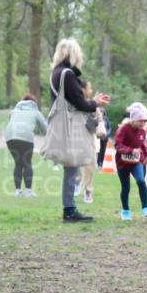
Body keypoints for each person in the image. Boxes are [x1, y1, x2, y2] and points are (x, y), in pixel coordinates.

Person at [49, 38, 111, 223]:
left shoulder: (56, 73)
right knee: (73, 166)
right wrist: (96, 103)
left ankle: (69, 209)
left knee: (71, 166)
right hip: (71, 126)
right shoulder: (67, 74)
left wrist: (92, 102)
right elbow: (80, 103)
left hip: (62, 124)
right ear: (73, 54)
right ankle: (69, 210)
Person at [114, 103, 147, 221]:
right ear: (133, 119)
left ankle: (146, 208)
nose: (143, 123)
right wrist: (131, 151)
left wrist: (146, 156)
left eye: (145, 121)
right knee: (126, 188)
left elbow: (142, 145)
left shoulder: (142, 131)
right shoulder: (123, 129)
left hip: (136, 162)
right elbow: (118, 145)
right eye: (141, 120)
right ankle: (125, 211)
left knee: (141, 181)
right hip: (122, 163)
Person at [4, 94, 47, 197]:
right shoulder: (35, 112)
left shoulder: (14, 111)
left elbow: (11, 121)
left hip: (10, 137)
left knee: (18, 163)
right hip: (25, 137)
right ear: (34, 103)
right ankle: (28, 192)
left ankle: (18, 192)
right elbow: (45, 129)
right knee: (27, 163)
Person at [78, 81, 106, 204]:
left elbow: (99, 119)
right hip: (76, 139)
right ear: (83, 90)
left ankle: (88, 191)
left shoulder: (93, 105)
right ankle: (77, 183)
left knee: (90, 165)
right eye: (89, 88)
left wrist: (98, 122)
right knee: (75, 164)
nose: (91, 90)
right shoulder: (75, 102)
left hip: (90, 138)